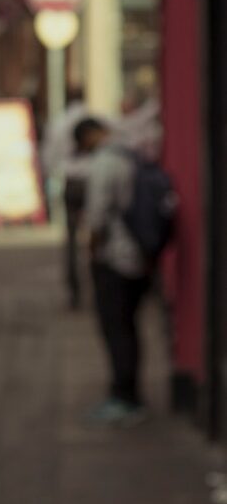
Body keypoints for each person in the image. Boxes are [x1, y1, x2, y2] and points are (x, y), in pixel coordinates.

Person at [74, 117, 151, 425]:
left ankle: (124, 398)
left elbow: (97, 216)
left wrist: (91, 253)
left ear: (91, 136)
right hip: (139, 256)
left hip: (115, 258)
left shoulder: (105, 162)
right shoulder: (132, 154)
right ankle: (130, 394)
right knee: (129, 327)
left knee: (116, 328)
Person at [42, 89, 95, 310]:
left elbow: (49, 157)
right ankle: (97, 287)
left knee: (72, 240)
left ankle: (75, 291)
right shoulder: (94, 119)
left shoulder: (58, 122)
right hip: (92, 181)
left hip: (71, 182)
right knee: (96, 235)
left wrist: (54, 175)